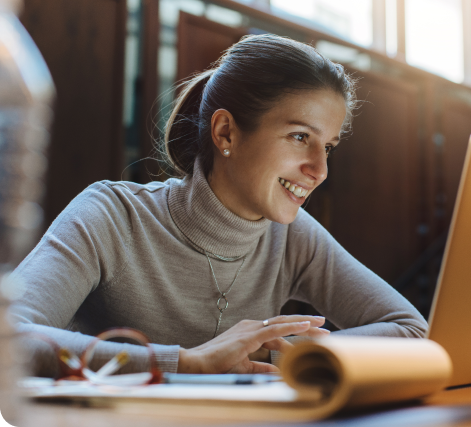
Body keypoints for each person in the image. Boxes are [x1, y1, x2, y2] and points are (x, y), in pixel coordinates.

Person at [10, 34, 427, 377]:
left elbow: (411, 331)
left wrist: (290, 351)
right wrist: (185, 362)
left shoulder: (292, 235)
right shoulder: (110, 216)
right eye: (300, 137)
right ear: (226, 132)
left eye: (328, 147)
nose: (319, 170)